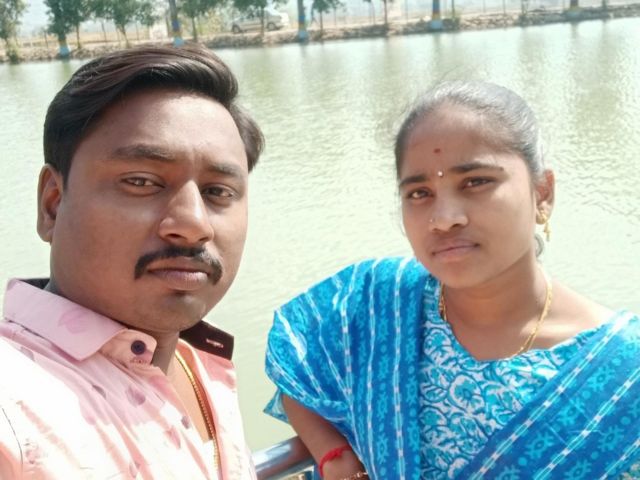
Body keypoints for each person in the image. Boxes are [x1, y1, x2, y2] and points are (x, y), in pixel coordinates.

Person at [264, 81, 640, 479]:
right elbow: (294, 360)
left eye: (475, 182)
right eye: (419, 193)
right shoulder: (380, 302)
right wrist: (335, 457)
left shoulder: (623, 371)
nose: (444, 219)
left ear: (543, 193)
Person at [0, 45, 264, 479]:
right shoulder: (15, 407)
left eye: (218, 192)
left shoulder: (194, 363)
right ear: (53, 203)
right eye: (141, 182)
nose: (194, 224)